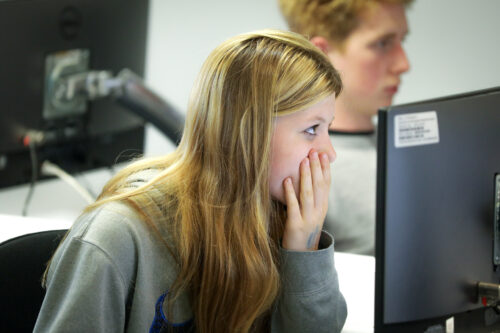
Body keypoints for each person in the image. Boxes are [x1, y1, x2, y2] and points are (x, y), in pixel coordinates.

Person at [33, 29, 347, 333]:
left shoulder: (279, 222)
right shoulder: (117, 235)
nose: (329, 153)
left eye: (328, 128)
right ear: (249, 132)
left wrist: (304, 254)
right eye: (311, 130)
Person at [278, 0, 413, 255]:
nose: (403, 64)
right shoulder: (299, 170)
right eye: (382, 43)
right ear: (322, 54)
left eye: (401, 42)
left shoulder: (413, 155)